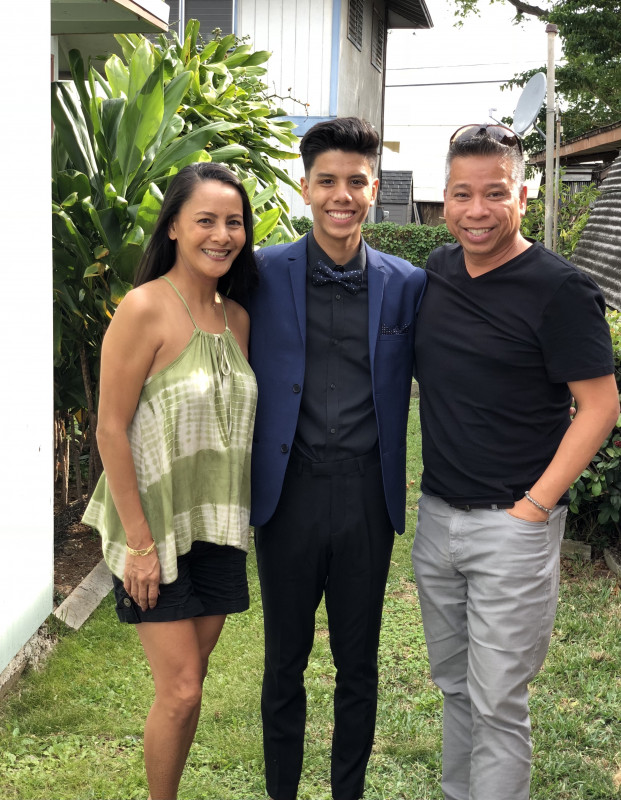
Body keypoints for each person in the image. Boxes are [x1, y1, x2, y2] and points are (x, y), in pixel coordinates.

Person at [412, 123, 619, 800]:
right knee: (453, 687)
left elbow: (598, 407)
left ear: (521, 196)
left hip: (512, 527)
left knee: (497, 699)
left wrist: (533, 508)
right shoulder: (435, 276)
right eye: (462, 194)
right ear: (443, 199)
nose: (477, 210)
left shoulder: (560, 291)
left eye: (494, 193)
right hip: (436, 520)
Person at [247, 117, 427, 800]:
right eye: (327, 180)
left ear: (372, 188)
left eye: (355, 181)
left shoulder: (405, 283)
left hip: (364, 498)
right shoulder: (259, 271)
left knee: (359, 664)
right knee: (282, 661)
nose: (341, 194)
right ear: (305, 187)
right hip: (285, 496)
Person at [82, 163, 258, 800]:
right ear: (176, 228)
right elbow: (110, 428)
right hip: (153, 530)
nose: (221, 234)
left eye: (232, 222)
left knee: (189, 688)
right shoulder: (144, 306)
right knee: (180, 689)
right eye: (205, 220)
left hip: (216, 527)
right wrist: (140, 544)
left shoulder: (237, 317)